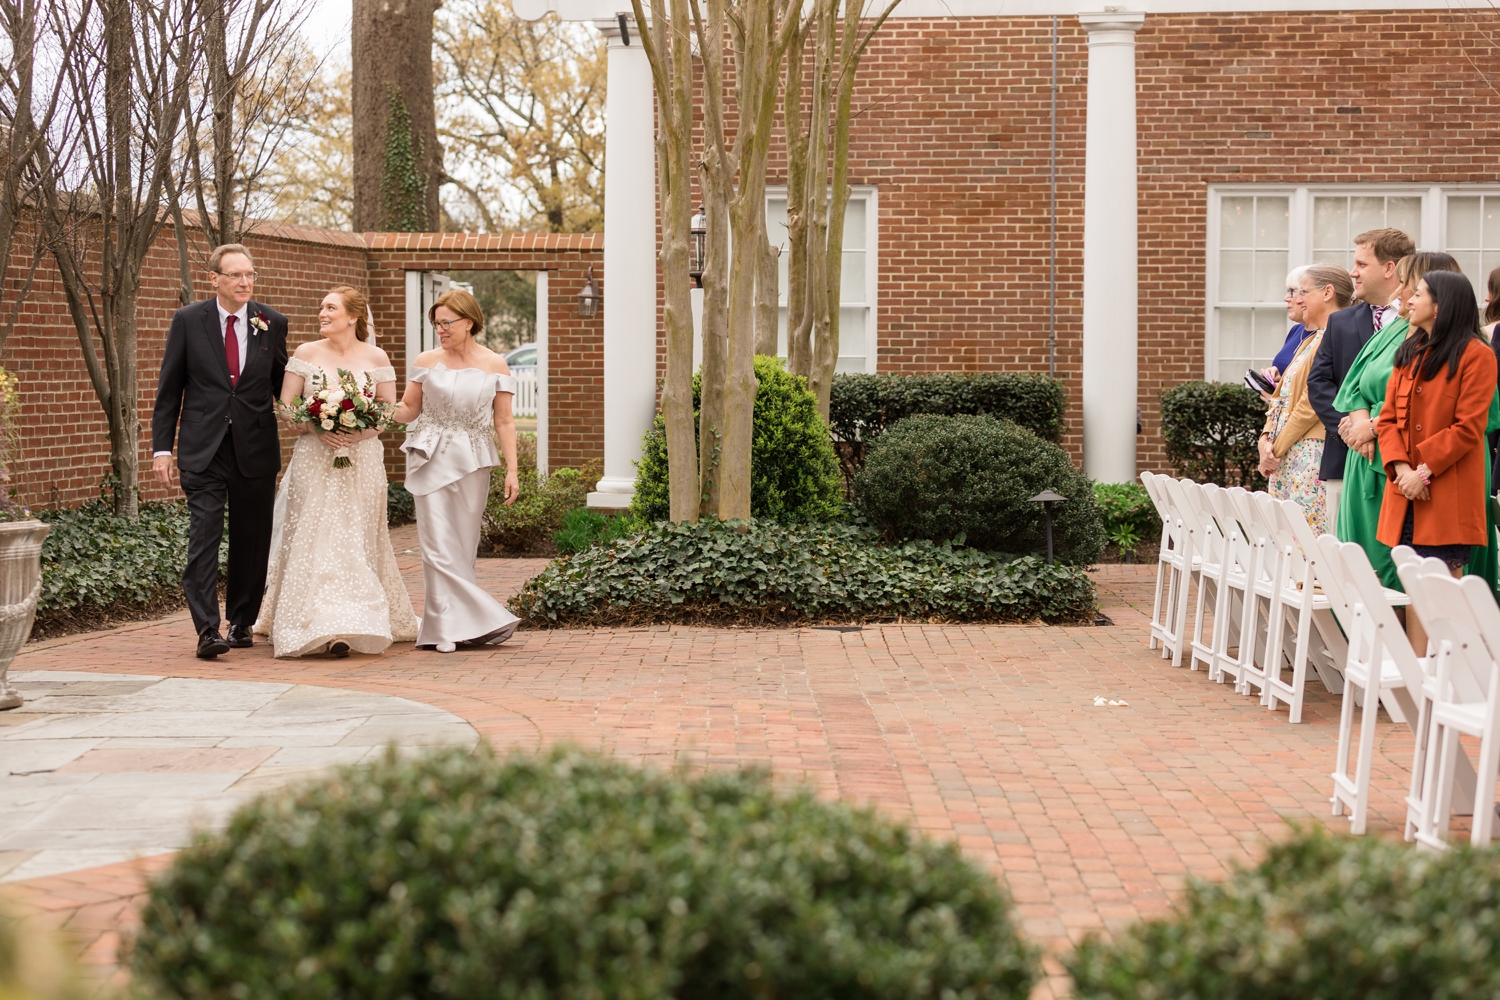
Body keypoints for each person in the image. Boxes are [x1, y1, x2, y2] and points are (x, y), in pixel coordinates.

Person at [254, 286, 419, 658]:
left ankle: (353, 620)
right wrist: (318, 427)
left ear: (352, 317)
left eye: (330, 307)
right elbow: (285, 408)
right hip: (315, 460)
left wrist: (356, 433)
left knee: (355, 539)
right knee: (315, 537)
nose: (322, 313)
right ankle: (317, 622)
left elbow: (385, 411)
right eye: (321, 307)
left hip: (362, 461)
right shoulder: (305, 353)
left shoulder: (375, 356)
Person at [150, 244, 288, 659]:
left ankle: (242, 621)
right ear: (214, 278)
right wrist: (162, 449)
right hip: (203, 448)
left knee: (252, 538)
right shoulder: (189, 321)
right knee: (204, 536)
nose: (245, 282)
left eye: (250, 275)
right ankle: (208, 628)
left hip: (255, 448)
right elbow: (169, 389)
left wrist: (325, 413)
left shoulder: (271, 322)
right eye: (235, 275)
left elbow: (284, 384)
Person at [395, 289, 521, 653]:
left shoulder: (495, 364)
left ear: (469, 322)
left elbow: (505, 421)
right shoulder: (426, 359)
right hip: (429, 457)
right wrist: (361, 411)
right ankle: (443, 629)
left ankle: (467, 624)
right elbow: (407, 409)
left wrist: (512, 470)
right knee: (435, 547)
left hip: (473, 461)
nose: (440, 330)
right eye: (436, 323)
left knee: (462, 548)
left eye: (447, 322)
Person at [1334, 252, 1463, 587]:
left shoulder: (1461, 348)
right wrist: (1359, 425)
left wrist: (1372, 427)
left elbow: (1454, 417)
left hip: (1418, 466)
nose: (1400, 292)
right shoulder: (1393, 335)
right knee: (1364, 568)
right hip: (1370, 457)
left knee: (1412, 573)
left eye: (1410, 285)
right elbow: (1354, 385)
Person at [1377, 270, 1497, 585]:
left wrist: (1423, 473)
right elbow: (1389, 419)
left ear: (1439, 306)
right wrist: (1403, 471)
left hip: (1446, 493)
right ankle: (1415, 640)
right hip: (1405, 492)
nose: (1409, 299)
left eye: (1419, 293)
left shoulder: (1477, 355)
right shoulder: (1409, 353)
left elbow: (1468, 428)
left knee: (1441, 589)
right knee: (1413, 585)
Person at [1307, 227, 1416, 536]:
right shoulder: (1341, 321)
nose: (1353, 273)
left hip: (1403, 461)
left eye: (1362, 265)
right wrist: (1350, 425)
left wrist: (1371, 426)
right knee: (1345, 558)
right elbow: (1319, 381)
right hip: (1345, 454)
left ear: (1389, 268)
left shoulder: (1417, 320)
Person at [1258, 264, 1353, 533]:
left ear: (1327, 293)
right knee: (1287, 541)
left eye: (1303, 292)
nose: (1297, 299)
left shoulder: (1331, 339)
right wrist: (1265, 441)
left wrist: (1274, 449)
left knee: (1308, 543)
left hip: (1308, 457)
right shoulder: (1310, 339)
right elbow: (1282, 398)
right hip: (1289, 454)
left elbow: (1311, 404)